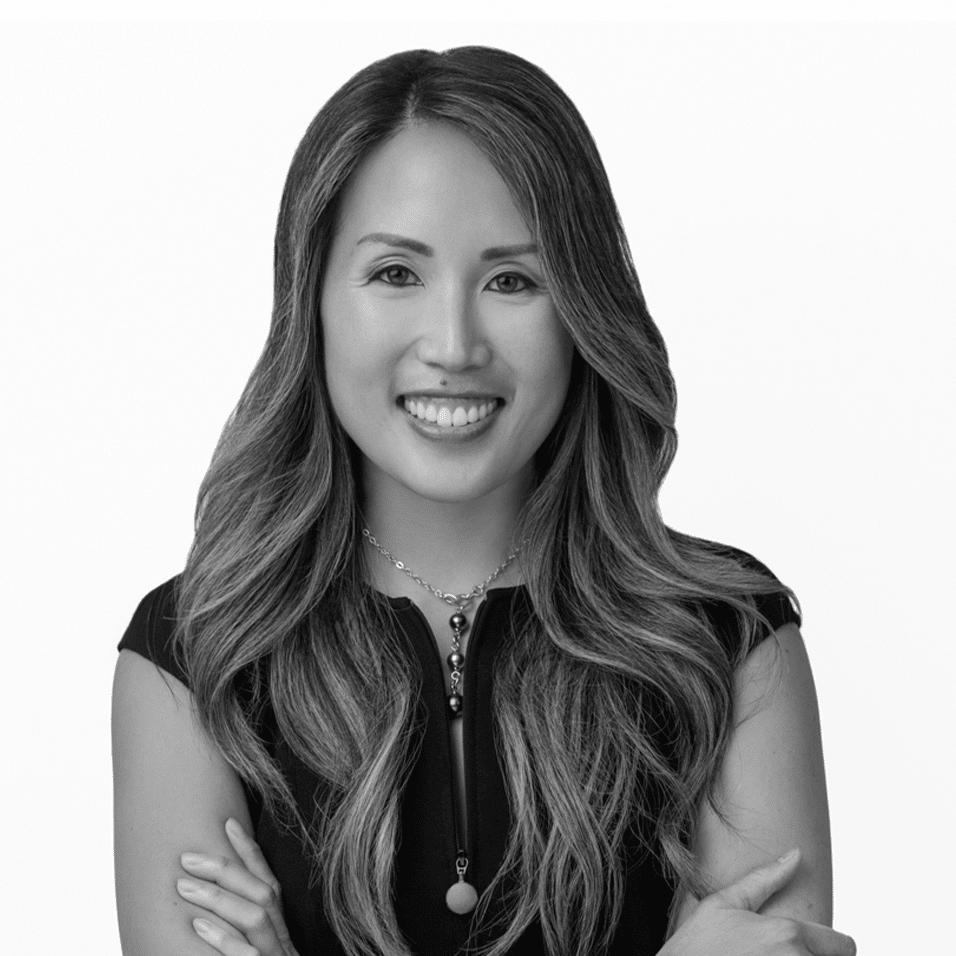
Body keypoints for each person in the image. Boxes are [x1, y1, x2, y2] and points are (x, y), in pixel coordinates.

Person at [111, 46, 856, 956]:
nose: (455, 344)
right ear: (312, 300)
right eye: (396, 274)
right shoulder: (197, 657)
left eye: (513, 280)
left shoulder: (730, 641)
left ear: (581, 310)